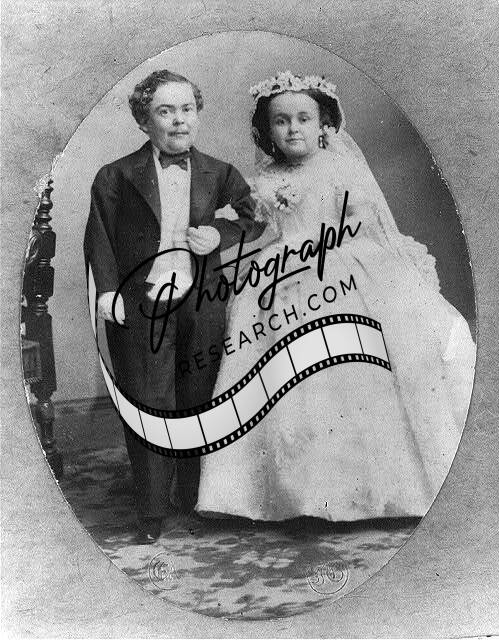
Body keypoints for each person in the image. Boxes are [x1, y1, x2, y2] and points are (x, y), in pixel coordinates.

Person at [196, 71, 476, 522]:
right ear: (267, 130)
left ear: (324, 124)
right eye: (281, 121)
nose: (293, 129)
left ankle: (369, 491)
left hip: (341, 268)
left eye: (303, 119)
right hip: (280, 276)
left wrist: (321, 254)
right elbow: (256, 227)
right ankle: (294, 495)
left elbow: (365, 226)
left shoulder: (341, 169)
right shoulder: (265, 178)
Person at [84, 70, 264, 543]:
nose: (179, 120)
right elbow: (99, 237)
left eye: (187, 109)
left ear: (198, 115)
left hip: (202, 299)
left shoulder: (219, 172)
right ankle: (151, 511)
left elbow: (257, 218)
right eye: (165, 111)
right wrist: (108, 292)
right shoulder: (115, 175)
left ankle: (195, 498)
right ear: (144, 121)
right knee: (149, 399)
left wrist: (220, 235)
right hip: (142, 300)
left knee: (199, 396)